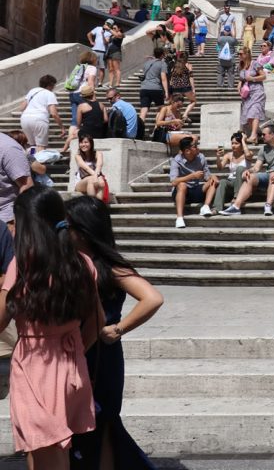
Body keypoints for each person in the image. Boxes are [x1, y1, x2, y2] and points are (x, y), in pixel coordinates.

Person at [0, 188, 102, 468]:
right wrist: (75, 347)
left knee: (47, 453)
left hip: (35, 366)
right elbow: (97, 322)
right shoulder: (82, 262)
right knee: (51, 450)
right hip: (71, 364)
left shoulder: (23, 264)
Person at [65, 195, 162, 469]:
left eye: (68, 226)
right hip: (87, 351)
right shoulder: (79, 263)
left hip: (100, 356)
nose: (64, 232)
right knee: (92, 425)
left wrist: (117, 328)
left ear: (83, 230)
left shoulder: (108, 265)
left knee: (103, 422)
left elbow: (152, 298)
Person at [221, 124, 274, 216]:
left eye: (264, 134)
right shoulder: (263, 149)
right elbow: (256, 167)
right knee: (250, 177)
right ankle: (236, 207)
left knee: (273, 176)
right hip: (269, 176)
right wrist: (249, 171)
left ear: (272, 135)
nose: (261, 137)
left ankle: (268, 206)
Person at [169, 137, 217, 227]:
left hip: (196, 189)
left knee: (212, 181)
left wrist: (212, 177)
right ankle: (179, 217)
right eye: (195, 146)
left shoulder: (201, 157)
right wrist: (192, 176)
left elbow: (207, 176)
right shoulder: (177, 160)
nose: (198, 148)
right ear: (187, 151)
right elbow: (174, 182)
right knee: (182, 185)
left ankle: (206, 206)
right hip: (182, 192)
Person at [62, 51, 99, 152]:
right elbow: (90, 82)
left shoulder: (78, 66)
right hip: (83, 94)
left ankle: (71, 143)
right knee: (86, 117)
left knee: (74, 120)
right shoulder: (92, 68)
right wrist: (93, 97)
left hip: (73, 94)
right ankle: (75, 142)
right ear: (93, 59)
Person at [212, 132, 254, 215]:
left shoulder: (248, 153)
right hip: (232, 181)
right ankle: (216, 208)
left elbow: (248, 155)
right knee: (223, 181)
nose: (233, 145)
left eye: (236, 143)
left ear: (241, 144)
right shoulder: (228, 155)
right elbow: (220, 168)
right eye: (232, 143)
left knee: (240, 168)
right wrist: (218, 157)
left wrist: (243, 140)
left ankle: (236, 197)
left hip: (243, 183)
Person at [19, 75, 63, 152]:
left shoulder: (33, 91)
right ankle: (39, 162)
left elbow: (22, 107)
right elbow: (54, 113)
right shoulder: (49, 94)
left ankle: (32, 162)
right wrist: (62, 127)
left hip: (25, 119)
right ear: (50, 85)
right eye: (53, 85)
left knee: (32, 145)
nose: (54, 87)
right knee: (41, 146)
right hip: (39, 119)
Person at [238, 48, 268, 144]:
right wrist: (239, 84)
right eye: (238, 54)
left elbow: (264, 76)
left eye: (241, 54)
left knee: (254, 112)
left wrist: (252, 78)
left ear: (247, 54)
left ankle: (254, 135)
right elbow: (241, 78)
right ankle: (258, 134)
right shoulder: (241, 65)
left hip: (257, 91)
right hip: (247, 94)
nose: (239, 56)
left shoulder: (255, 63)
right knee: (249, 116)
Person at [138, 46, 169, 122]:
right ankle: (157, 128)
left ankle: (140, 128)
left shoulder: (147, 63)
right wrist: (166, 91)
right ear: (162, 55)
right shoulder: (162, 64)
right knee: (161, 108)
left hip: (144, 88)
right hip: (156, 88)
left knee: (144, 109)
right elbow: (163, 78)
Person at [73, 133, 107, 201]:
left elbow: (99, 166)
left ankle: (98, 206)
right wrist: (96, 177)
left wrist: (98, 178)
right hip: (81, 183)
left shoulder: (98, 153)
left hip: (94, 178)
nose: (83, 145)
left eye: (86, 142)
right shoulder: (78, 156)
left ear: (91, 143)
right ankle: (93, 204)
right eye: (81, 142)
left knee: (101, 182)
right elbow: (86, 168)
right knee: (91, 179)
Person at [168, 50, 197, 123]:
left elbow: (171, 77)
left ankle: (175, 117)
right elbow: (191, 77)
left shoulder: (174, 65)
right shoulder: (188, 65)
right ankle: (185, 115)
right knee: (193, 101)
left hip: (175, 87)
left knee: (176, 102)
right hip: (185, 86)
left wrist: (170, 87)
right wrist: (193, 88)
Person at [103, 20, 124, 89]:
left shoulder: (121, 34)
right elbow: (106, 42)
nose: (113, 29)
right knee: (111, 69)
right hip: (109, 52)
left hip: (116, 52)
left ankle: (117, 83)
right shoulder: (111, 35)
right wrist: (102, 34)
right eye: (113, 28)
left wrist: (109, 29)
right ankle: (110, 83)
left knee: (116, 68)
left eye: (115, 28)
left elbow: (117, 35)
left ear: (119, 28)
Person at [216, 24, 239, 89]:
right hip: (231, 59)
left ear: (224, 31)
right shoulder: (233, 39)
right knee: (231, 74)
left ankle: (220, 85)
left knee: (220, 73)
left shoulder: (220, 39)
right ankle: (230, 86)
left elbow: (217, 47)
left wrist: (218, 52)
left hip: (221, 59)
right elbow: (238, 45)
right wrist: (236, 51)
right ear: (229, 31)